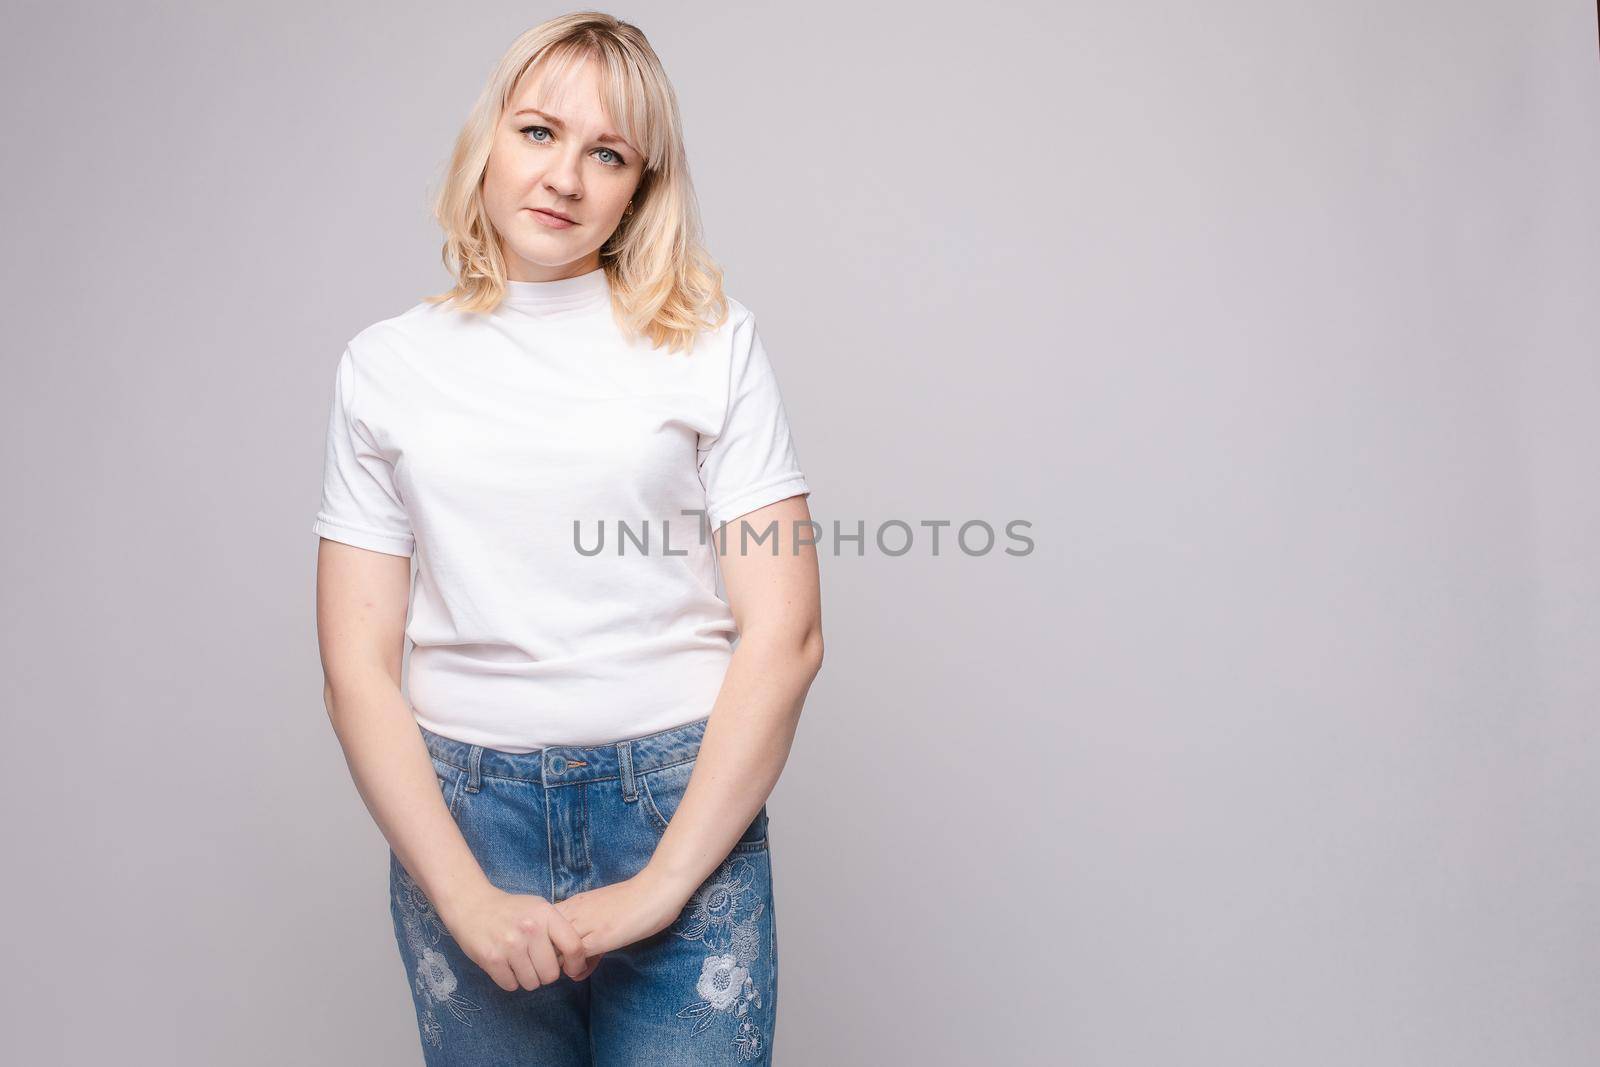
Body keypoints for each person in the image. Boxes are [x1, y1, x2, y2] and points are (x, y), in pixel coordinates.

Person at [310, 12, 823, 1065]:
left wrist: (663, 883)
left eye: (608, 154)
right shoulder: (384, 364)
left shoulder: (712, 340)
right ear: (487, 141)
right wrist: (461, 890)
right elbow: (355, 662)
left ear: (640, 185)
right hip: (466, 819)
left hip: (681, 800)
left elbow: (787, 633)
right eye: (539, 132)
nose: (565, 178)